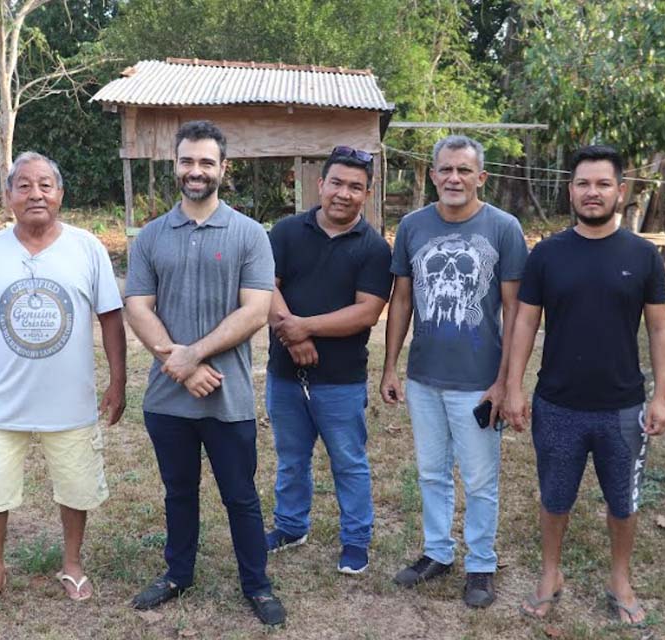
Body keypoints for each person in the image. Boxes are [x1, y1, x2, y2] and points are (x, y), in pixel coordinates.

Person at [0, 151, 126, 616]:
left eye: (45, 185)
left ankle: (71, 562)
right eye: (23, 186)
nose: (36, 194)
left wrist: (118, 380)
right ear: (8, 197)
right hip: (0, 402)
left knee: (76, 486)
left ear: (60, 193)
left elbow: (111, 318)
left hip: (70, 401)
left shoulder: (87, 247)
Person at [502, 144, 665, 625]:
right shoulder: (548, 254)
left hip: (623, 407)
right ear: (571, 189)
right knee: (555, 498)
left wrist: (661, 396)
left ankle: (620, 580)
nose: (592, 192)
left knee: (623, 501)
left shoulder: (643, 256)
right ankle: (550, 574)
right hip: (558, 403)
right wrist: (513, 388)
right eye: (582, 183)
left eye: (602, 184)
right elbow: (524, 326)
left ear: (620, 191)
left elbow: (660, 328)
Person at [123, 120, 285, 626]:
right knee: (178, 492)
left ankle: (257, 585)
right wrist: (181, 363)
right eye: (188, 161)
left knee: (240, 495)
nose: (196, 171)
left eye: (206, 162)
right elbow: (138, 306)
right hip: (167, 398)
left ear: (223, 169)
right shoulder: (150, 236)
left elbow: (256, 311)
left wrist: (194, 355)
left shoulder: (249, 234)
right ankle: (177, 574)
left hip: (228, 396)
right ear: (176, 166)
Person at [380, 135, 528, 607]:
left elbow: (516, 310)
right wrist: (390, 367)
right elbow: (401, 299)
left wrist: (505, 382)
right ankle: (438, 553)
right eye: (445, 169)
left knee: (481, 479)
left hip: (479, 383)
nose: (454, 178)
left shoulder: (503, 228)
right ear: (432, 175)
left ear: (481, 177)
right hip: (424, 378)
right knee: (431, 472)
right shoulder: (411, 226)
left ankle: (481, 564)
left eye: (464, 170)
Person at [264, 146, 392, 575]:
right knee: (291, 457)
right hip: (284, 374)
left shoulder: (374, 248)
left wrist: (305, 327)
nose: (343, 193)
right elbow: (264, 286)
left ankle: (356, 540)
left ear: (367, 194)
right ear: (319, 185)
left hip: (341, 379)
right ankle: (290, 526)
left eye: (355, 187)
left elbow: (366, 312)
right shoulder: (285, 232)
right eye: (336, 183)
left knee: (349, 462)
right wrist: (292, 335)